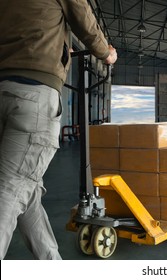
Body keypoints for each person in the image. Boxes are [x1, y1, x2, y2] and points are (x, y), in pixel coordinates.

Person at [0, 0, 117, 259]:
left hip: (4, 88)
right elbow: (84, 19)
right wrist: (106, 53)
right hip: (35, 93)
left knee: (25, 188)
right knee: (10, 190)